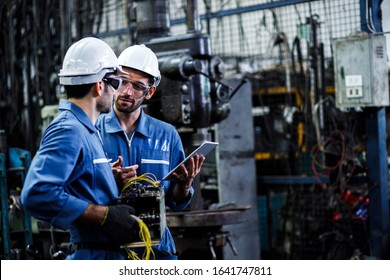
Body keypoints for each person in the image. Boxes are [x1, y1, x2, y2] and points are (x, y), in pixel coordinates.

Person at [21, 37, 140, 260]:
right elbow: (37, 194)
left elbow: (77, 183)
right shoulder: (69, 130)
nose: (116, 92)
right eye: (115, 83)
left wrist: (104, 179)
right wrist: (104, 215)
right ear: (99, 85)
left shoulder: (87, 129)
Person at [96, 44, 205, 260]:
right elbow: (76, 193)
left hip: (157, 250)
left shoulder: (167, 135)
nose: (127, 91)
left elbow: (176, 200)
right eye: (123, 82)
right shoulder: (93, 131)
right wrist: (108, 180)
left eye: (137, 86)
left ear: (150, 92)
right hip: (107, 249)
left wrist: (184, 185)